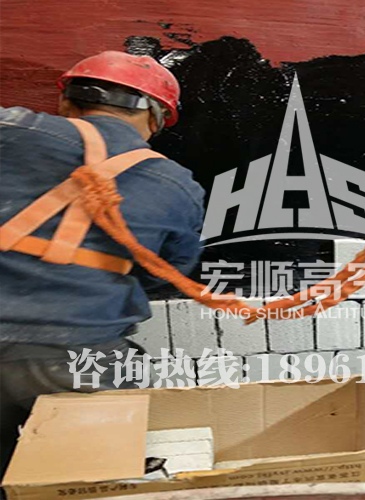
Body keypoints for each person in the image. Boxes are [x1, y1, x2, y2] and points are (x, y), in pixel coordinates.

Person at [0, 51, 205, 475]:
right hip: (78, 351)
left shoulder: (11, 129)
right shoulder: (176, 185)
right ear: (155, 118)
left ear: (66, 101)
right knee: (91, 479)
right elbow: (164, 273)